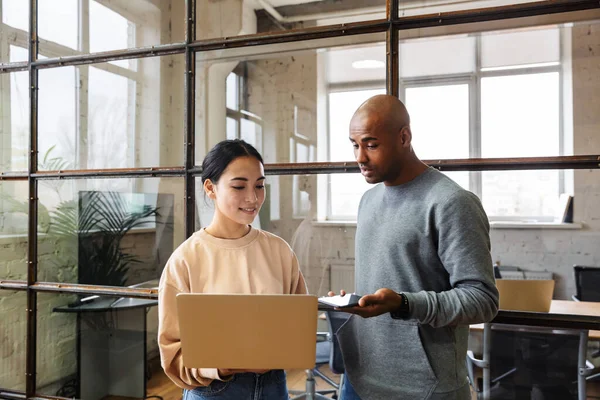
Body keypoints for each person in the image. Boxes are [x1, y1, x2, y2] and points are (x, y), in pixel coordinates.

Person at [331, 95, 499, 399]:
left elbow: (482, 300)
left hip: (423, 389)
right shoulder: (368, 201)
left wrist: (404, 304)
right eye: (355, 145)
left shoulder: (451, 202)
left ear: (404, 137)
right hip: (357, 381)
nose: (360, 157)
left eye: (371, 144)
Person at [158, 139, 308, 400]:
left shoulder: (280, 251)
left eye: (259, 186)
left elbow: (298, 328)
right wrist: (222, 365)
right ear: (210, 188)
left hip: (274, 386)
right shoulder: (185, 260)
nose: (253, 198)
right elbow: (172, 354)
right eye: (239, 186)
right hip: (214, 390)